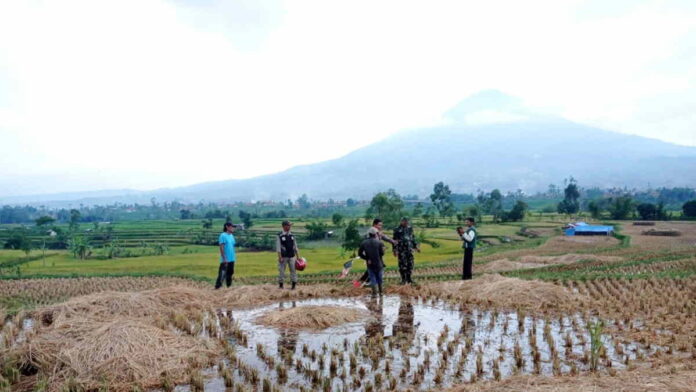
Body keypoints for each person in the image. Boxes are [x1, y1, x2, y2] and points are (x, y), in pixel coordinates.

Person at [355, 219, 396, 286]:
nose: (380, 227)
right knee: (375, 268)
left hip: (377, 253)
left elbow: (384, 237)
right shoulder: (371, 232)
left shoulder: (377, 232)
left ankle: (363, 282)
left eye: (381, 225)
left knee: (372, 269)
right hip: (372, 253)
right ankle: (372, 282)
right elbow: (369, 243)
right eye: (379, 225)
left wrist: (392, 241)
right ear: (374, 224)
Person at [392, 217, 420, 285]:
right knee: (402, 265)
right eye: (404, 221)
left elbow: (413, 238)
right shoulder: (397, 229)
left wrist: (416, 246)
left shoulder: (410, 229)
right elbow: (394, 240)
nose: (406, 223)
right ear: (401, 222)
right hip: (401, 250)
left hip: (409, 249)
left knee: (410, 264)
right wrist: (395, 250)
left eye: (407, 221)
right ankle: (403, 280)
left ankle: (409, 279)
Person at [358, 231, 385, 297]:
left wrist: (367, 258)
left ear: (369, 235)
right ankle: (381, 293)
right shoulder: (379, 242)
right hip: (378, 263)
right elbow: (382, 253)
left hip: (370, 263)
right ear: (375, 235)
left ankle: (374, 294)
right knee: (379, 278)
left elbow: (360, 254)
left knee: (373, 278)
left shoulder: (364, 243)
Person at [276, 220, 300, 289]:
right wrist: (280, 257)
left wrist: (298, 257)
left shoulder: (292, 235)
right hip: (283, 257)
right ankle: (281, 286)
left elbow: (295, 246)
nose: (290, 227)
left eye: (290, 225)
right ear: (284, 226)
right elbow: (278, 247)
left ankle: (293, 286)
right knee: (281, 271)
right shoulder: (279, 235)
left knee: (293, 271)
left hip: (292, 256)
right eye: (288, 225)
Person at [216, 222, 237, 289]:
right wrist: (224, 258)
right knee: (222, 274)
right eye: (231, 227)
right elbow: (221, 247)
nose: (232, 228)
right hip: (225, 259)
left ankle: (229, 287)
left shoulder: (231, 236)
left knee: (230, 274)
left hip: (232, 259)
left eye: (233, 227)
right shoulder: (223, 235)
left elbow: (232, 246)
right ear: (227, 227)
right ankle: (217, 287)